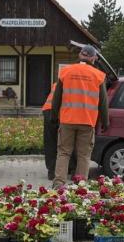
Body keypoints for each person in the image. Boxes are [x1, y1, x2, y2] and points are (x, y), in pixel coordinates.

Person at [51, 45, 109, 189]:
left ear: (80, 55)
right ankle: (80, 186)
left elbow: (56, 97)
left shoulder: (66, 71)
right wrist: (105, 122)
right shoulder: (98, 75)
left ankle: (59, 184)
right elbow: (103, 102)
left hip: (67, 120)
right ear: (92, 57)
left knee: (64, 153)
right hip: (87, 121)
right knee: (84, 155)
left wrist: (54, 116)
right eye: (95, 57)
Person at [42, 83, 75, 180]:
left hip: (48, 110)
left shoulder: (57, 83)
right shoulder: (74, 85)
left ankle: (52, 172)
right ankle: (72, 169)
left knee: (50, 142)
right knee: (68, 142)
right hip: (60, 111)